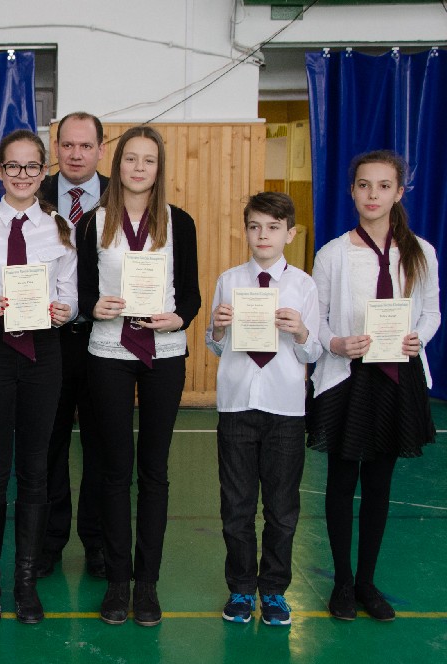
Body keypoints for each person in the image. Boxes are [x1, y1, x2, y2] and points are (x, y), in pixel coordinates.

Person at [307, 150, 439, 622]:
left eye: (384, 186)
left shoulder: (421, 252)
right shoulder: (333, 254)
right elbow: (317, 320)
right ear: (352, 191)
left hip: (397, 377)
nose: (372, 195)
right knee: (342, 482)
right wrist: (336, 343)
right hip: (350, 377)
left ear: (399, 192)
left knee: (379, 484)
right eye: (364, 185)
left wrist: (417, 338)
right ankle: (342, 582)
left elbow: (431, 311)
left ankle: (367, 581)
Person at [76, 125, 201, 627]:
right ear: (117, 163)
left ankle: (147, 582)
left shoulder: (179, 222)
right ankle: (117, 580)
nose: (139, 168)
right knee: (113, 468)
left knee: (154, 470)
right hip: (108, 350)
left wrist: (180, 318)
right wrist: (94, 306)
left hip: (164, 352)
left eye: (149, 160)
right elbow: (82, 292)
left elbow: (190, 294)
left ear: (159, 167)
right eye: (131, 158)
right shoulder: (92, 222)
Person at [0, 129, 78, 624]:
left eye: (32, 166)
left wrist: (64, 311)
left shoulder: (60, 229)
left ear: (44, 171)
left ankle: (25, 584)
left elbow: (70, 297)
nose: (23, 175)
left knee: (34, 469)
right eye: (14, 166)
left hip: (44, 352)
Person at [206, 192, 322, 626]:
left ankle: (273, 591)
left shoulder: (304, 285)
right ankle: (240, 588)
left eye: (273, 227)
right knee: (236, 505)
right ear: (246, 231)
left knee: (281, 508)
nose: (263, 235)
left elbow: (312, 351)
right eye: (255, 226)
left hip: (285, 407)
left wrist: (301, 331)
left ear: (290, 233)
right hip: (237, 404)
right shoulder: (229, 279)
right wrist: (218, 328)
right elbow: (216, 345)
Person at [36, 111, 109, 578]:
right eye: (67, 145)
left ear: (101, 149)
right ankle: (49, 541)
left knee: (102, 446)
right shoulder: (33, 195)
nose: (76, 154)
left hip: (105, 340)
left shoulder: (122, 198)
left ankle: (97, 543)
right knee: (49, 445)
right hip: (50, 340)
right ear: (55, 147)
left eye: (85, 146)